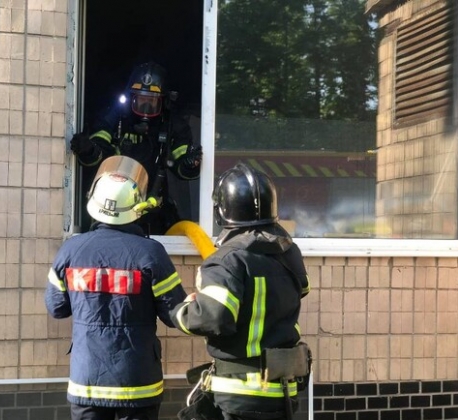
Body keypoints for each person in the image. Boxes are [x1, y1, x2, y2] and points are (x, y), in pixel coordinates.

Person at [45, 155, 188, 420]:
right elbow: (174, 314)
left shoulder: (71, 250)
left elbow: (57, 308)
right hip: (138, 382)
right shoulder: (151, 253)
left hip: (87, 380)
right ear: (137, 206)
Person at [170, 163, 311, 420]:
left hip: (240, 393)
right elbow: (301, 289)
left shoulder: (228, 260)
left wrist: (183, 310)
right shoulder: (289, 253)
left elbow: (213, 318)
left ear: (222, 210)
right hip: (283, 391)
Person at [70, 61, 202, 235]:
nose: (146, 106)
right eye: (141, 99)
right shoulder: (115, 118)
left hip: (152, 207)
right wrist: (88, 150)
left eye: (152, 101)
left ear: (163, 101)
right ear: (131, 98)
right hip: (113, 205)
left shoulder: (171, 124)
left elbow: (181, 164)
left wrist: (189, 164)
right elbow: (99, 154)